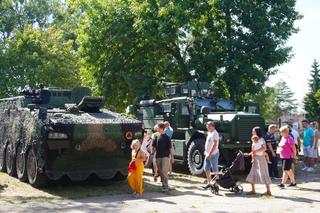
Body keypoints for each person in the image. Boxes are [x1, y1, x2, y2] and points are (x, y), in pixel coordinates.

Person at [246, 126, 272, 196]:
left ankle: (268, 191)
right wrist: (252, 157)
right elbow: (253, 150)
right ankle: (253, 190)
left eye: (253, 131)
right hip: (255, 159)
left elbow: (264, 148)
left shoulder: (261, 140)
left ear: (257, 132)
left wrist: (255, 151)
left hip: (261, 158)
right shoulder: (254, 140)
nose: (252, 132)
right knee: (252, 173)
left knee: (264, 173)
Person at [152, 123, 174, 192]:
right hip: (158, 156)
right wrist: (152, 152)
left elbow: (170, 148)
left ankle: (166, 186)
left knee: (164, 171)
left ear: (161, 128)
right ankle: (163, 185)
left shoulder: (167, 137)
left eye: (158, 128)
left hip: (165, 157)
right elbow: (154, 147)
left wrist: (172, 157)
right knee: (161, 172)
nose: (156, 129)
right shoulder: (156, 136)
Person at [202, 121, 220, 190]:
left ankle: (216, 184)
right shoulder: (209, 133)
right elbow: (208, 143)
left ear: (212, 126)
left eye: (208, 127)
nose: (207, 128)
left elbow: (214, 144)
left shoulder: (215, 133)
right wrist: (206, 151)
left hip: (213, 154)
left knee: (215, 169)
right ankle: (209, 183)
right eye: (207, 127)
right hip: (207, 154)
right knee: (206, 168)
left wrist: (209, 153)